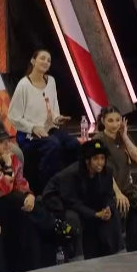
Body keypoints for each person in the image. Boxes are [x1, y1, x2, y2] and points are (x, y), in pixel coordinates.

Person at [0, 130, 71, 272]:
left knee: (27, 213)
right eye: (1, 143)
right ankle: (54, 225)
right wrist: (8, 166)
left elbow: (20, 182)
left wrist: (29, 195)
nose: (7, 145)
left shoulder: (13, 158)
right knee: (17, 199)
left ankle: (33, 267)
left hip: (8, 201)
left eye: (8, 142)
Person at [7, 49, 80, 190]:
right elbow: (13, 116)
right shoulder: (24, 85)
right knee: (53, 145)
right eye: (42, 58)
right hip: (29, 134)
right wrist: (33, 127)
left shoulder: (51, 81)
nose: (46, 62)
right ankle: (48, 188)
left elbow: (54, 107)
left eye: (49, 60)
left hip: (49, 130)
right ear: (33, 61)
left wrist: (57, 118)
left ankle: (71, 185)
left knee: (73, 144)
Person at [41, 139, 121, 260]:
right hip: (59, 201)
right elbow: (71, 202)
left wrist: (108, 209)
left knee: (113, 215)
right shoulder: (72, 174)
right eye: (96, 159)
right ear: (87, 160)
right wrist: (94, 214)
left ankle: (117, 254)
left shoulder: (107, 172)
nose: (100, 162)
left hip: (83, 201)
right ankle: (77, 257)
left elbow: (109, 195)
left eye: (102, 158)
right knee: (73, 218)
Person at [94, 107, 137, 251]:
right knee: (120, 209)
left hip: (127, 188)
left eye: (118, 120)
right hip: (110, 189)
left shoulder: (122, 137)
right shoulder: (99, 139)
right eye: (110, 121)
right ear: (103, 121)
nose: (115, 124)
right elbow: (102, 170)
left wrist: (125, 136)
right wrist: (117, 193)